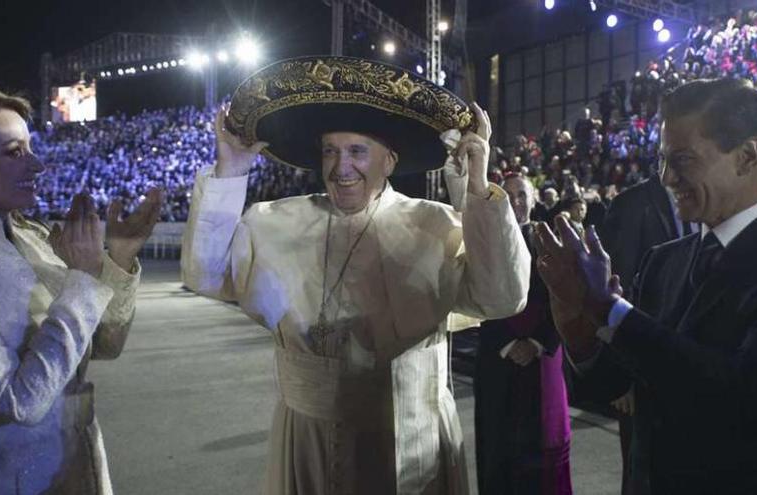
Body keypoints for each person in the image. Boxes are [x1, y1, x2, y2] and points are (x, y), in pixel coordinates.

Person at [181, 56, 531, 494]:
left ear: (389, 161)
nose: (340, 167)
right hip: (307, 438)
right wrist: (231, 170)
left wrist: (477, 189)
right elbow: (205, 275)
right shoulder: (274, 222)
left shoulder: (436, 225)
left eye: (356, 151)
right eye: (330, 150)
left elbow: (503, 298)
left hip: (412, 435)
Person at [0, 79, 163, 494]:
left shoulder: (31, 237)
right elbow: (19, 402)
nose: (37, 165)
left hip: (84, 467)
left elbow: (105, 345)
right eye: (14, 153)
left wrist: (117, 258)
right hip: (4, 480)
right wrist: (80, 279)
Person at [536, 78, 757, 494]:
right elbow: (616, 386)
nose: (667, 178)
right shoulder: (663, 261)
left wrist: (609, 310)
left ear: (747, 157)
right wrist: (577, 329)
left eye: (683, 160)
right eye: (662, 160)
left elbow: (745, 403)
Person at [473, 172, 572, 495]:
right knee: (499, 453)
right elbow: (477, 297)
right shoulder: (482, 244)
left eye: (522, 195)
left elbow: (567, 299)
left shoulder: (554, 244)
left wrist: (536, 343)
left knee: (544, 454)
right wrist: (508, 342)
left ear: (534, 199)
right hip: (497, 362)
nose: (516, 201)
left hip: (542, 362)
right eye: (509, 195)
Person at [597, 172, 694, 495]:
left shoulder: (705, 199)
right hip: (642, 369)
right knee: (642, 475)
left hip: (687, 366)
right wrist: (624, 375)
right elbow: (614, 291)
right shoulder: (632, 203)